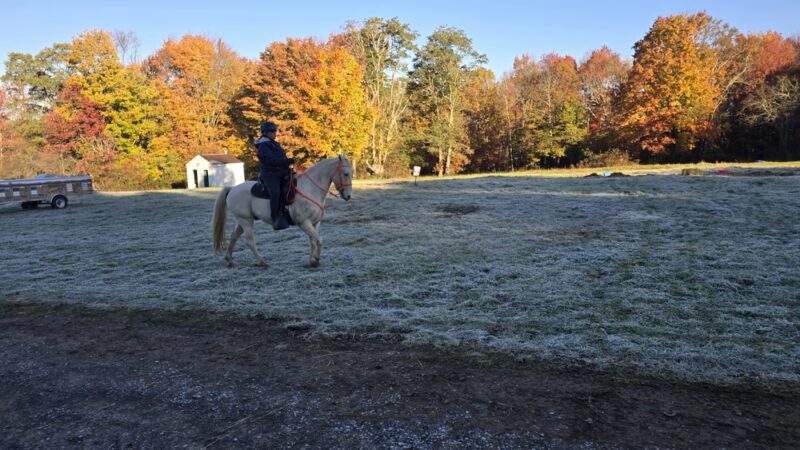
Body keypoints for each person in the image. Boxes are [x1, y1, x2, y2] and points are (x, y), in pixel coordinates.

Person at [254, 121, 294, 230]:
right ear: (265, 132)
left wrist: (288, 162)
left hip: (280, 172)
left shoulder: (274, 144)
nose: (274, 133)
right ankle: (275, 218)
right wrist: (285, 161)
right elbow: (269, 161)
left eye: (275, 131)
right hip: (269, 174)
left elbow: (281, 158)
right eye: (272, 131)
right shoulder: (263, 146)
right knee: (275, 192)